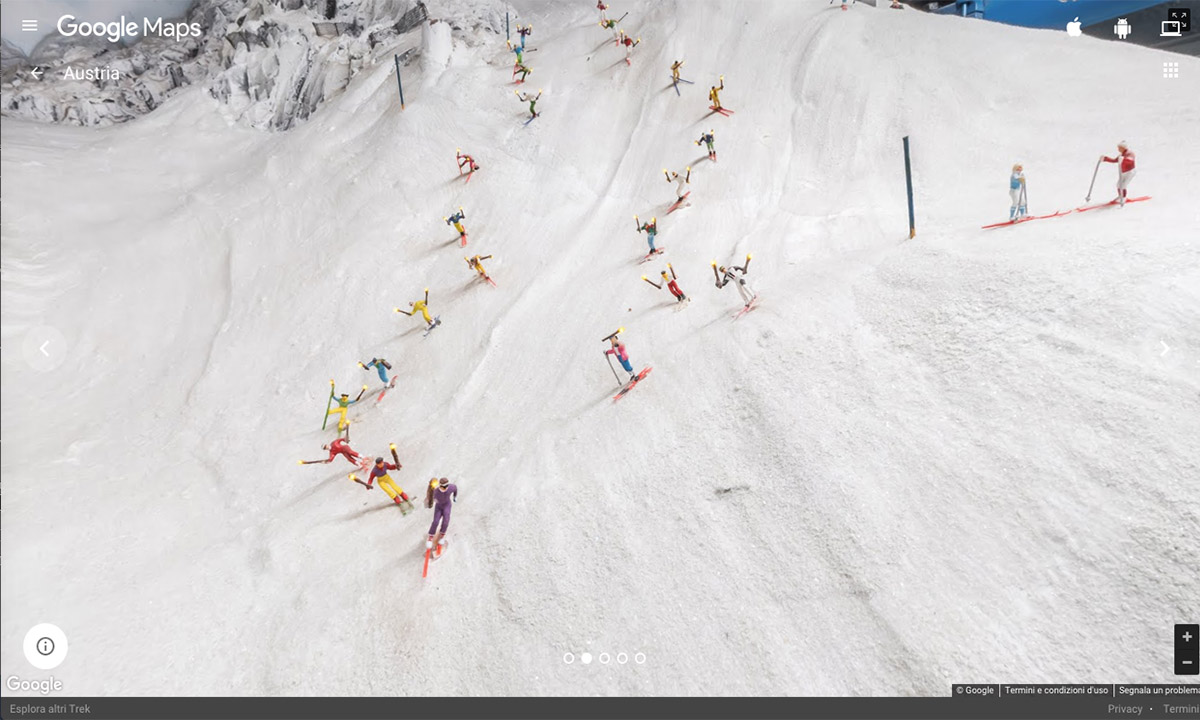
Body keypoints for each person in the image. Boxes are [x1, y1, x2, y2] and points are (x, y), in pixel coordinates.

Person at [425, 477, 458, 551]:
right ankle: (431, 536)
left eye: (446, 486)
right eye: (443, 487)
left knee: (446, 520)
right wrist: (429, 502)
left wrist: (455, 496)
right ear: (440, 486)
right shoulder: (436, 492)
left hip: (447, 505)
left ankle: (442, 535)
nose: (445, 488)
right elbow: (429, 497)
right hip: (439, 507)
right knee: (435, 521)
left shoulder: (451, 487)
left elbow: (455, 488)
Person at [1101, 141, 1136, 206]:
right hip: (1123, 172)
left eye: (1119, 148)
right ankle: (1120, 196)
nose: (1118, 149)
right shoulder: (1121, 155)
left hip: (1130, 172)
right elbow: (1115, 160)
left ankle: (1124, 197)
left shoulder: (1130, 153)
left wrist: (1124, 159)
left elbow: (1130, 161)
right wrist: (1105, 159)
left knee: (1123, 185)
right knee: (1118, 185)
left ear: (1123, 147)